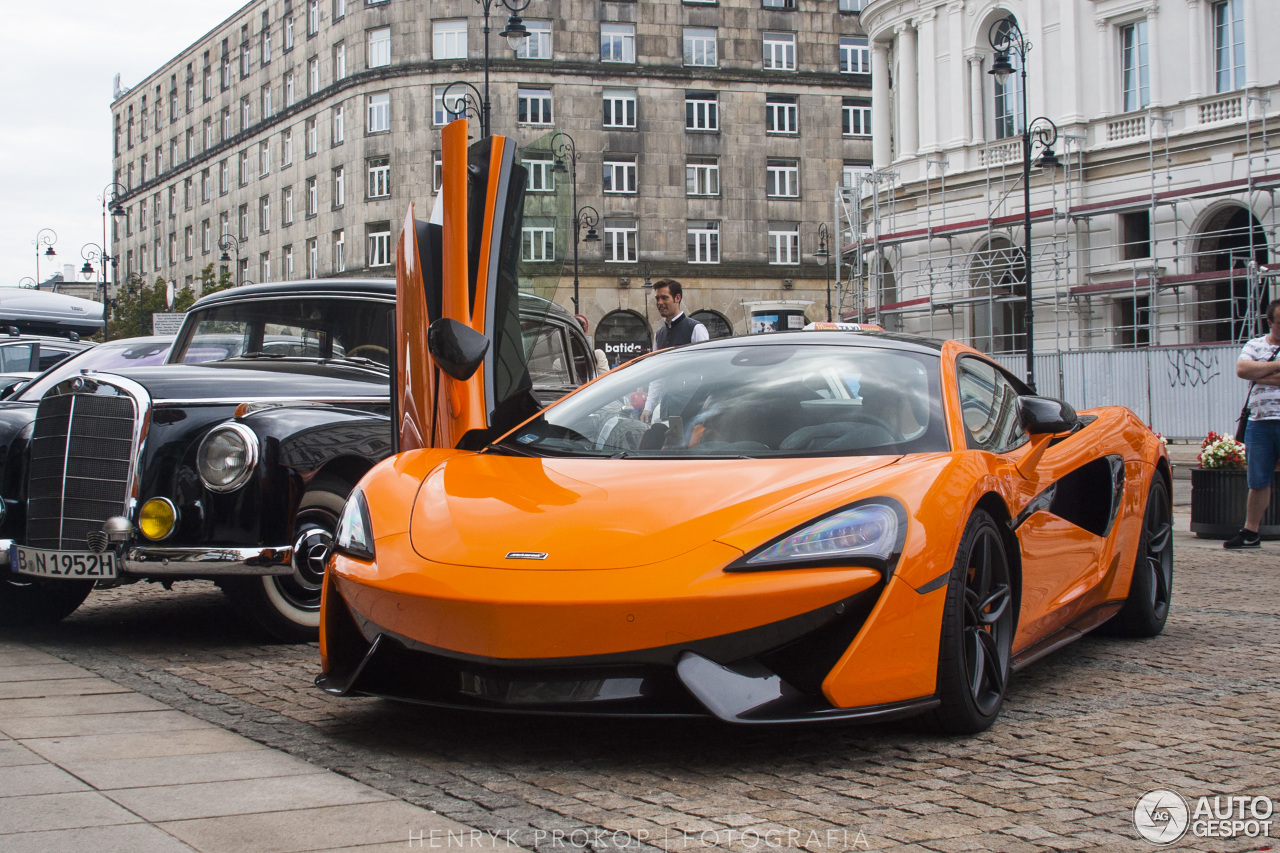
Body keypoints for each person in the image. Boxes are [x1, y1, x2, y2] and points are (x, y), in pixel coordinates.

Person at [1225, 298, 1280, 548]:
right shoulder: (1254, 344)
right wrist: (1276, 367)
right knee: (1257, 480)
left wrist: (1261, 372)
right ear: (1270, 322)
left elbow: (1252, 373)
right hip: (1259, 422)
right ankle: (1251, 532)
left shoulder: (1258, 354)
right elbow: (1242, 370)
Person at [641, 279, 709, 424]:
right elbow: (657, 374)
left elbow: (707, 372)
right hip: (668, 409)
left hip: (693, 410)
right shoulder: (659, 334)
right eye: (657, 298)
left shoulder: (696, 328)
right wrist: (648, 407)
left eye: (664, 297)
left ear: (677, 298)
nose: (659, 302)